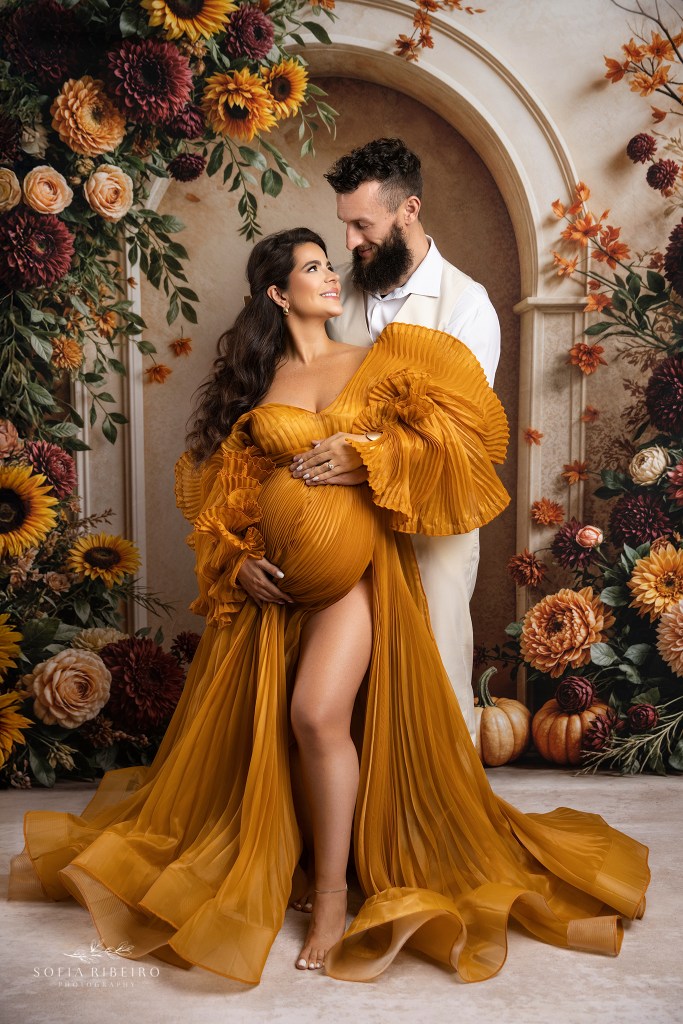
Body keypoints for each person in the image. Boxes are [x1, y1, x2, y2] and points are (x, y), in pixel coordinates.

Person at [8, 228, 649, 986]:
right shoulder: (258, 382)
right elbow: (219, 490)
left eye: (327, 264)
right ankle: (301, 858)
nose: (329, 276)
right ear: (279, 294)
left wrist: (367, 455)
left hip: (354, 578)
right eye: (311, 268)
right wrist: (236, 559)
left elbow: (461, 445)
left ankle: (334, 894)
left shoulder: (378, 363)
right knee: (271, 740)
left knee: (314, 714)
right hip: (267, 596)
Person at [323, 137, 499, 746]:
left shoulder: (468, 306)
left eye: (362, 225)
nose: (349, 243)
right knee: (342, 685)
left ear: (410, 210)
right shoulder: (331, 294)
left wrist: (364, 454)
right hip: (339, 523)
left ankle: (432, 827)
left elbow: (460, 437)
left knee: (433, 675)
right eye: (345, 226)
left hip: (432, 523)